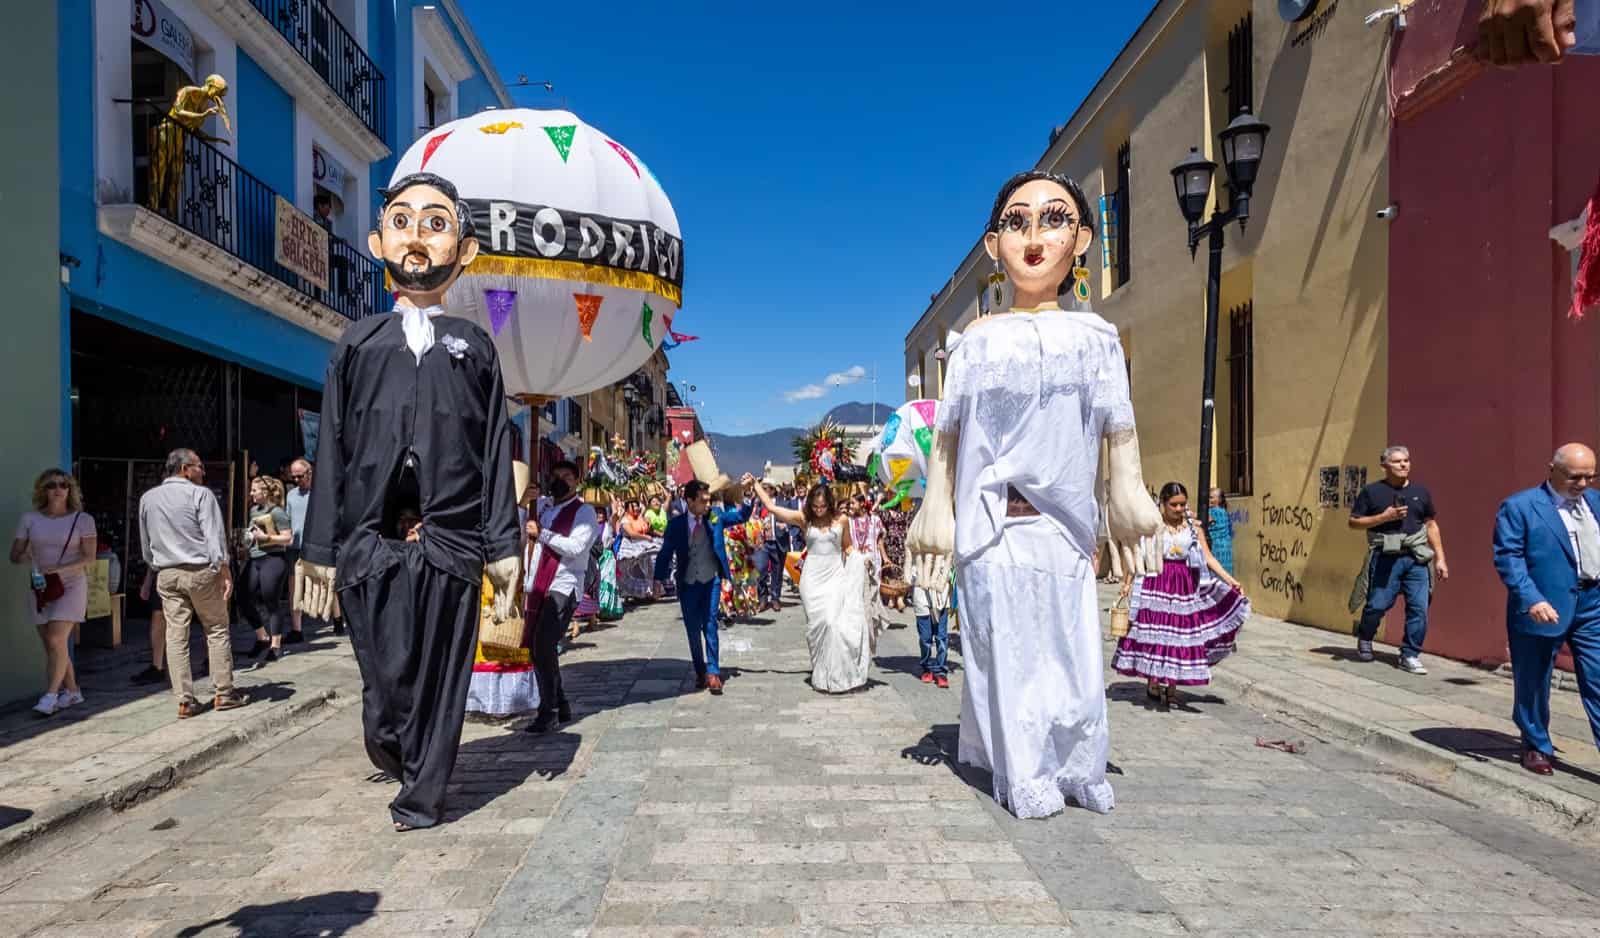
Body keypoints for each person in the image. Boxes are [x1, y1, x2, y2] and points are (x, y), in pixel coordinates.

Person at [908, 170, 1161, 819]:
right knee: (1004, 653)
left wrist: (1128, 492)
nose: (1034, 236)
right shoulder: (975, 344)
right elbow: (949, 437)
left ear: (1080, 238)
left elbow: (1118, 426)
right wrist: (936, 508)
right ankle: (1024, 774)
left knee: (1071, 656)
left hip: (1066, 527)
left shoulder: (1096, 339)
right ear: (994, 245)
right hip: (993, 526)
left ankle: (1077, 767)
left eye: (1053, 219)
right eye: (1017, 222)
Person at [296, 172, 521, 831]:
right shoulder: (357, 343)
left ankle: (422, 795)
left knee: (443, 679)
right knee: (384, 687)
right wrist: (318, 552)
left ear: (465, 250)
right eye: (402, 221)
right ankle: (395, 746)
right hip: (372, 544)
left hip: (453, 544)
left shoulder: (475, 345)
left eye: (436, 222)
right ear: (377, 242)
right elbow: (332, 450)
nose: (418, 237)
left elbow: (492, 455)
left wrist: (504, 550)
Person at [1492, 443, 1600, 776]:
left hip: (1591, 603)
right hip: (1542, 603)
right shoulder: (1520, 506)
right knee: (1535, 679)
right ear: (1551, 469)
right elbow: (1508, 556)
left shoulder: (1595, 503)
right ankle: (1536, 743)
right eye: (1574, 476)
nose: (1582, 484)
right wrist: (1531, 598)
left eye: (1589, 476)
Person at [1113, 482, 1249, 707]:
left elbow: (1208, 558)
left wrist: (1231, 581)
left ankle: (1172, 686)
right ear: (1163, 504)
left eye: (1182, 504)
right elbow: (1138, 556)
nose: (1178, 509)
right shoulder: (1151, 527)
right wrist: (1126, 583)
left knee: (1179, 635)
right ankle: (1154, 680)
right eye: (1174, 505)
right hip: (1155, 581)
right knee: (1155, 633)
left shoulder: (1194, 528)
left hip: (1183, 584)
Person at [139, 449, 245, 719]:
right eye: (199, 466)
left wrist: (155, 566)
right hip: (200, 570)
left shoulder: (148, 498)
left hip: (167, 571)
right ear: (185, 468)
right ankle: (224, 692)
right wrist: (224, 568)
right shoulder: (201, 494)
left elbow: (146, 541)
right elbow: (213, 535)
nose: (203, 471)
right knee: (217, 629)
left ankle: (185, 699)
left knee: (176, 635)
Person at [750, 478, 876, 693]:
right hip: (812, 580)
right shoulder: (804, 519)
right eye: (815, 506)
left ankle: (838, 676)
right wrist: (755, 485)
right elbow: (772, 507)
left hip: (835, 576)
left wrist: (861, 559)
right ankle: (821, 672)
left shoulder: (841, 520)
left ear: (830, 504)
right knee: (818, 626)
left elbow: (847, 548)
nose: (818, 510)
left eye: (823, 506)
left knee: (832, 623)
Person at [1348, 446, 1450, 674]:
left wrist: (1440, 559)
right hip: (1386, 557)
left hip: (1417, 557)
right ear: (1384, 466)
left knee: (1419, 609)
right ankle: (1365, 637)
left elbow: (1430, 525)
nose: (1404, 465)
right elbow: (1354, 522)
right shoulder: (1371, 492)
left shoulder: (1421, 492)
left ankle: (1410, 654)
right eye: (1397, 462)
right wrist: (1384, 517)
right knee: (1377, 605)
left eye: (1406, 460)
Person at [652, 478, 753, 695]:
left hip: (711, 580)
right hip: (688, 583)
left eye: (709, 500)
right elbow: (665, 553)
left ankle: (713, 672)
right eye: (703, 501)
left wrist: (745, 494)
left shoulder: (715, 517)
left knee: (710, 624)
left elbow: (741, 516)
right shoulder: (676, 525)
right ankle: (699, 670)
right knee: (692, 630)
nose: (708, 505)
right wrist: (657, 579)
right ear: (689, 500)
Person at [10, 469, 97, 715]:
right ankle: (73, 692)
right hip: (41, 586)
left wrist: (59, 568)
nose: (58, 489)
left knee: (57, 638)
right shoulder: (30, 518)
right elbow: (14, 555)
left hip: (71, 585)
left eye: (63, 484)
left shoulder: (83, 520)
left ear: (70, 490)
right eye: (51, 485)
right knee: (52, 645)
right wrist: (23, 556)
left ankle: (50, 696)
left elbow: (89, 557)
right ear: (43, 490)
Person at [523, 460, 601, 734]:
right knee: (538, 647)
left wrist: (542, 533)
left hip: (563, 585)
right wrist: (523, 502)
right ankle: (561, 702)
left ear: (576, 481)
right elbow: (520, 526)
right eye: (556, 475)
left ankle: (549, 710)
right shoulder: (542, 506)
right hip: (537, 584)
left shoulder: (585, 512)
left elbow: (577, 547)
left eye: (566, 476)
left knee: (543, 645)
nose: (560, 480)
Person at [468, 461, 542, 723]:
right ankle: (489, 701)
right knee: (491, 641)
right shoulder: (498, 515)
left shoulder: (517, 515)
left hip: (508, 583)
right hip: (491, 582)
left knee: (506, 639)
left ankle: (502, 701)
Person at [240, 476, 294, 669]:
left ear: (265, 492)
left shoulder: (277, 512)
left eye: (254, 490)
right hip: (254, 558)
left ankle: (276, 645)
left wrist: (266, 537)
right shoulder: (253, 510)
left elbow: (288, 539)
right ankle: (261, 636)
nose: (251, 494)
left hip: (273, 559)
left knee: (271, 600)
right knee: (243, 598)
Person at [911, 562, 952, 688]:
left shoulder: (946, 551)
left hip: (942, 597)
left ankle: (940, 671)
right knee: (925, 638)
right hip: (921, 596)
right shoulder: (917, 552)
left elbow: (951, 573)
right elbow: (911, 575)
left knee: (941, 637)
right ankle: (927, 667)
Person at [614, 498, 661, 600]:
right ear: (627, 509)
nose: (636, 508)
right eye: (633, 506)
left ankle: (645, 593)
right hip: (630, 547)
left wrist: (648, 525)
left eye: (637, 506)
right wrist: (646, 537)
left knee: (646, 568)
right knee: (632, 571)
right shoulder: (625, 520)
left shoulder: (640, 518)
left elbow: (645, 528)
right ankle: (632, 594)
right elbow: (631, 533)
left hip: (642, 546)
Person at [1207, 487, 1235, 578]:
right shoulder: (1223, 511)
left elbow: (1205, 521)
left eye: (1211, 497)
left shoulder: (1214, 511)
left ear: (1219, 499)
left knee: (1216, 574)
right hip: (1225, 547)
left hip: (1216, 547)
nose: (1208, 499)